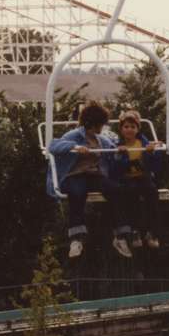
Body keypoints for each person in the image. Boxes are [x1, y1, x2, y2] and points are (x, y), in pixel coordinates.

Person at [47, 101, 132, 259]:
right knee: (77, 192)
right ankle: (76, 238)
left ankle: (120, 236)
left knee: (115, 190)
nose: (102, 128)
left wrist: (119, 151)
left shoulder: (100, 139)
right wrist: (74, 147)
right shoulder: (74, 135)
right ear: (93, 124)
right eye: (101, 124)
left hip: (93, 175)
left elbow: (112, 150)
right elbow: (53, 146)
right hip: (74, 175)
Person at [111, 110, 163, 250]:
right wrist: (119, 156)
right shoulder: (117, 145)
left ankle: (152, 232)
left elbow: (155, 165)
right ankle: (136, 231)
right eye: (126, 127)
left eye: (132, 127)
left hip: (142, 177)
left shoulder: (143, 142)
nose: (129, 130)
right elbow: (114, 170)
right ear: (121, 129)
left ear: (138, 129)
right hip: (126, 179)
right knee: (131, 194)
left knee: (152, 192)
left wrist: (152, 151)